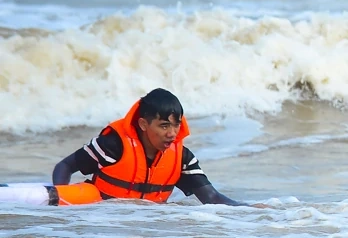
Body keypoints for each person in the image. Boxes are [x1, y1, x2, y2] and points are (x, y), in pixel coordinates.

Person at [0, 88, 242, 208]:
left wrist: (255, 211)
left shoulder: (182, 159)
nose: (172, 133)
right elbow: (66, 165)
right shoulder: (114, 145)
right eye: (164, 125)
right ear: (144, 124)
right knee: (37, 196)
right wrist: (61, 204)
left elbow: (212, 198)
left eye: (176, 125)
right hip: (97, 207)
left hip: (131, 229)